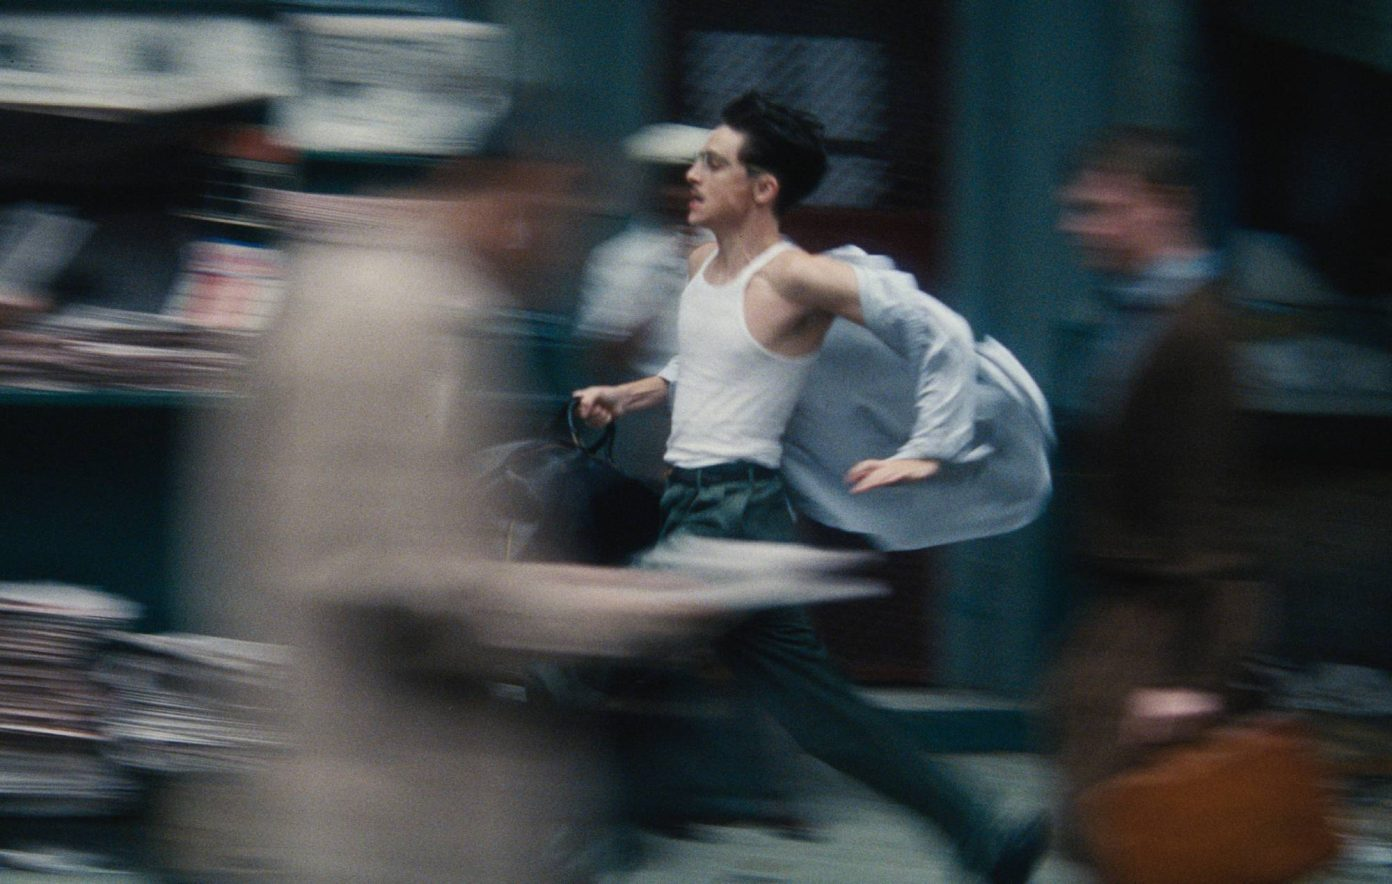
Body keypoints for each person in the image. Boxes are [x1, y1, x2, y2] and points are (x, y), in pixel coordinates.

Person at [574, 90, 1049, 883]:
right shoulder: (700, 268)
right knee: (816, 713)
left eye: (712, 163)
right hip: (696, 500)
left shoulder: (797, 276)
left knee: (595, 641)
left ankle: (571, 836)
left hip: (732, 512)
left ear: (762, 188)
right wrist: (633, 393)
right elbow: (708, 362)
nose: (691, 175)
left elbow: (934, 330)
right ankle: (983, 833)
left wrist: (930, 445)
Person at [1044, 126, 1265, 864]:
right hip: (1120, 614)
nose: (1078, 227)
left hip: (1163, 628)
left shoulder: (1199, 334)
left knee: (1133, 839)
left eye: (1101, 209)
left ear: (1167, 207)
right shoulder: (1141, 318)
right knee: (1110, 830)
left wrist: (1193, 678)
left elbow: (1212, 516)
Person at [573, 123, 711, 483]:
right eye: (672, 181)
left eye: (692, 182)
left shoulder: (734, 250)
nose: (682, 193)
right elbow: (605, 356)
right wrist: (660, 282)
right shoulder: (619, 257)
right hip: (646, 421)